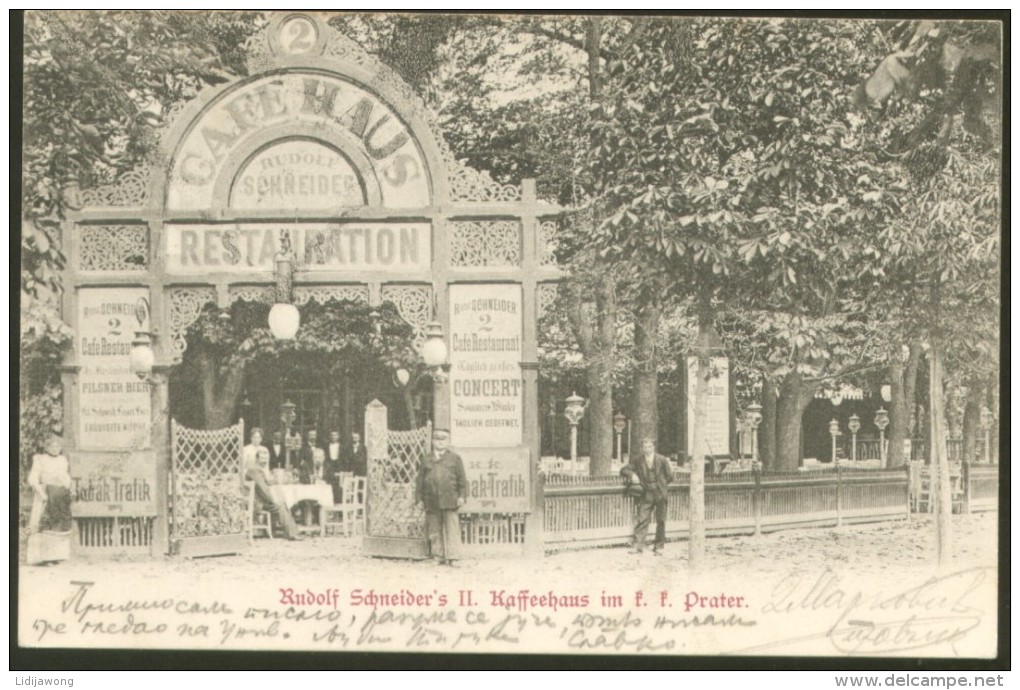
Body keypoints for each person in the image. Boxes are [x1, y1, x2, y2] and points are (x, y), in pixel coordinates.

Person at [415, 428, 467, 566]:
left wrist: (462, 496)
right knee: (434, 529)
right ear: (433, 441)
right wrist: (419, 499)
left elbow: (462, 481)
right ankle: (437, 556)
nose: (440, 442)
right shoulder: (426, 459)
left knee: (452, 529)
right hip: (431, 500)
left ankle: (453, 557)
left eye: (443, 439)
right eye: (437, 439)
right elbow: (419, 481)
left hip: (450, 499)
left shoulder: (455, 459)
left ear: (448, 441)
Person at [620, 438, 673, 555]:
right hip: (646, 493)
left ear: (653, 447)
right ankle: (638, 546)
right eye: (644, 447)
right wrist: (633, 475)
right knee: (642, 519)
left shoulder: (662, 460)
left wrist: (661, 485)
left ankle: (659, 547)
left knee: (661, 521)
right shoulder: (638, 460)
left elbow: (670, 476)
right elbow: (624, 469)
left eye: (649, 447)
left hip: (660, 494)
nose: (647, 449)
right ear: (642, 448)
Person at [244, 445, 301, 540]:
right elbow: (263, 490)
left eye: (266, 458)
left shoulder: (258, 469)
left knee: (282, 502)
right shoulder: (254, 470)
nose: (264, 460)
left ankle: (291, 531)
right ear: (256, 458)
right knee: (279, 505)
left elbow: (266, 484)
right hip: (256, 502)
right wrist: (272, 500)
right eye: (262, 458)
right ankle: (291, 534)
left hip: (260, 500)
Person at [28, 435, 72, 534]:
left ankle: (62, 527)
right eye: (52, 446)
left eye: (57, 446)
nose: (55, 449)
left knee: (63, 495)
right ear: (47, 448)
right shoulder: (40, 459)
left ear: (60, 448)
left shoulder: (62, 459)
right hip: (46, 490)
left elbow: (65, 477)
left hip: (60, 491)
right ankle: (48, 527)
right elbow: (33, 478)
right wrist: (41, 492)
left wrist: (67, 485)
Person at [325, 431, 344, 503]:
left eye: (335, 435)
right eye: (332, 435)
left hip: (338, 466)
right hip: (330, 465)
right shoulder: (327, 446)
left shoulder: (342, 446)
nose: (333, 437)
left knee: (338, 486)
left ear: (338, 436)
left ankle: (338, 501)